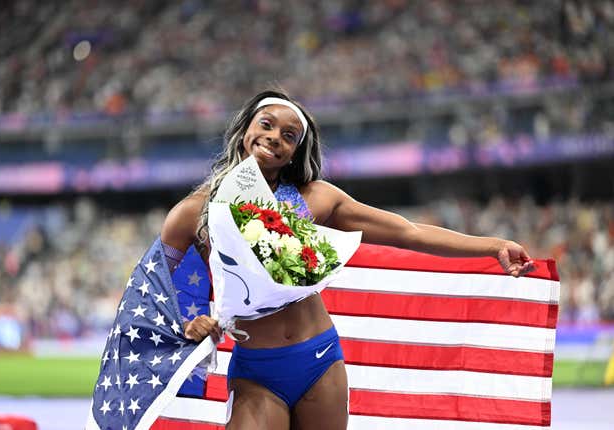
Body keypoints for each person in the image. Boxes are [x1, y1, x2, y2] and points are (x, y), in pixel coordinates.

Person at [160, 89, 536, 430]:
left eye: (289, 135)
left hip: (319, 360)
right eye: (267, 124)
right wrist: (187, 322)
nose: (275, 137)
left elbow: (408, 232)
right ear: (246, 128)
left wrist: (492, 246)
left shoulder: (316, 198)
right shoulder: (194, 212)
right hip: (256, 371)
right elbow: (150, 292)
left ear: (294, 151)